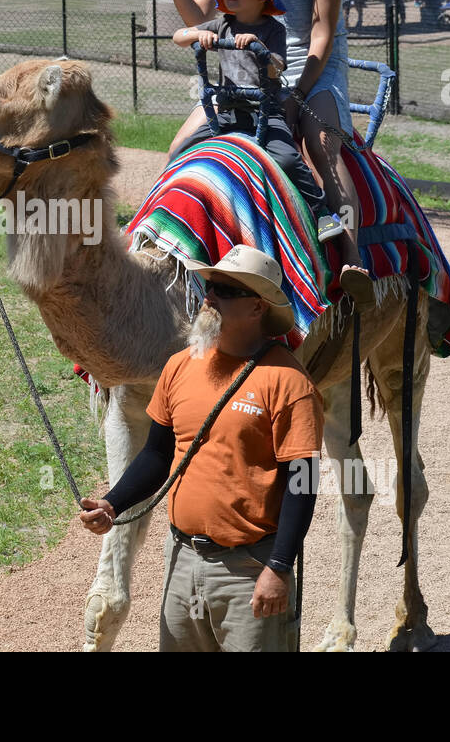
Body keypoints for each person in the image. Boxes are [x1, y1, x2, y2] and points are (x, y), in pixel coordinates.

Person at [79, 245, 324, 652]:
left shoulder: (289, 383)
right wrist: (112, 504)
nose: (209, 296)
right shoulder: (179, 365)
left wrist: (279, 568)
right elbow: (157, 455)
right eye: (210, 285)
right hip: (182, 562)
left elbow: (302, 483)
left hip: (249, 571)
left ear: (258, 309)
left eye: (226, 290)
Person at [162, 0, 374, 306]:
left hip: (312, 66)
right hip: (249, 71)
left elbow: (322, 32)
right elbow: (199, 16)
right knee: (180, 145)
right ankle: (166, 245)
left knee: (319, 145)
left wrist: (297, 94)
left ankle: (351, 255)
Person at [170, 0, 344, 242]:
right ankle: (167, 208)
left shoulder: (273, 30)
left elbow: (277, 69)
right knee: (182, 151)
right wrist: (197, 35)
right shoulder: (221, 25)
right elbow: (178, 36)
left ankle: (322, 213)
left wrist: (258, 47)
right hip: (225, 113)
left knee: (288, 160)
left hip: (263, 113)